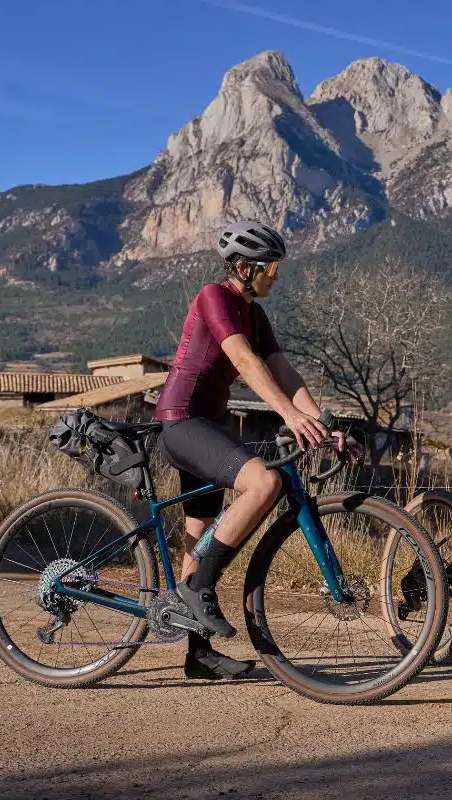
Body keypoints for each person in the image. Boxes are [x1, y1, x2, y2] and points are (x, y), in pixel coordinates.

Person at [154, 220, 337, 680]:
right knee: (265, 482)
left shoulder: (256, 314)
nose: (276, 275)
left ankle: (198, 654)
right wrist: (288, 417)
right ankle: (199, 591)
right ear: (243, 266)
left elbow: (285, 373)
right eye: (270, 267)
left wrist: (317, 422)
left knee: (199, 536)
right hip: (182, 423)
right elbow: (244, 361)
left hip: (207, 426)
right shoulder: (213, 297)